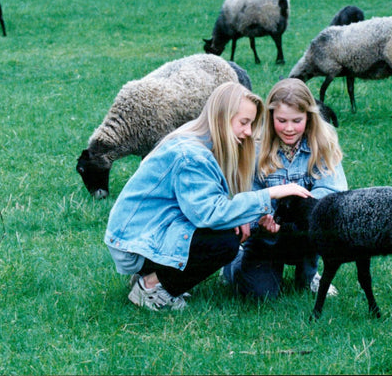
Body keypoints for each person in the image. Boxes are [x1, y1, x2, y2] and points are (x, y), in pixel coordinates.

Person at [104, 82, 311, 311]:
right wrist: (270, 194)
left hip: (143, 233)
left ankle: (152, 275)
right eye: (244, 123)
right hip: (135, 242)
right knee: (223, 242)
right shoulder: (192, 156)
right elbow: (210, 214)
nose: (249, 132)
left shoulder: (200, 139)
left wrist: (238, 215)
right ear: (222, 117)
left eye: (251, 124)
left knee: (225, 230)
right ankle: (152, 288)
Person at [223, 78, 347, 300]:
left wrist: (297, 210)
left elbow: (332, 195)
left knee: (321, 217)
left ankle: (308, 273)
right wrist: (262, 218)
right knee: (259, 294)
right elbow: (245, 195)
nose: (289, 128)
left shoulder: (323, 142)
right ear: (270, 117)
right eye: (281, 120)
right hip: (265, 238)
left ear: (309, 117)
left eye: (296, 121)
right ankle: (235, 261)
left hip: (303, 232)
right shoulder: (255, 146)